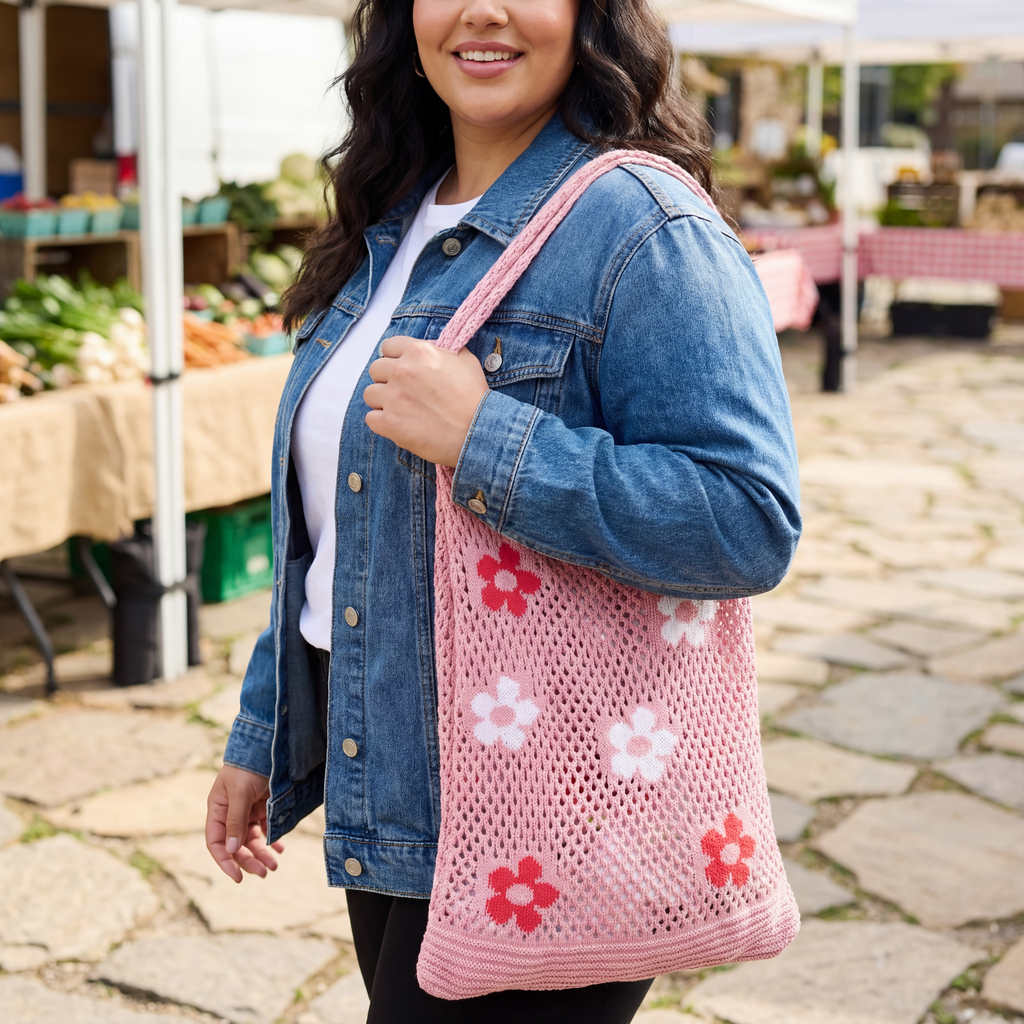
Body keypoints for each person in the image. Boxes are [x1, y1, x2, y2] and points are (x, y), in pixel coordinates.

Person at [204, 0, 801, 1016]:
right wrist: (264, 730)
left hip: (553, 810)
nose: (482, 9)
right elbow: (342, 530)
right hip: (390, 782)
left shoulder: (644, 225)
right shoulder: (390, 217)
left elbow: (745, 519)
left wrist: (484, 438)